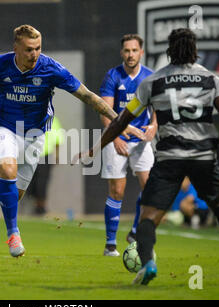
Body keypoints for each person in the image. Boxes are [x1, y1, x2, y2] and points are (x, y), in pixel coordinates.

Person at [0, 24, 144, 258]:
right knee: (7, 170)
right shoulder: (0, 64)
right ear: (16, 49)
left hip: (35, 136)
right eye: (29, 49)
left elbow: (88, 96)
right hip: (5, 128)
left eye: (38, 48)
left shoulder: (51, 69)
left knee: (13, 194)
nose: (35, 54)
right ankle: (13, 234)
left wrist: (122, 122)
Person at [75, 28, 219, 285]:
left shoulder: (153, 82)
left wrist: (94, 148)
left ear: (169, 51)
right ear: (194, 51)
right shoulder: (211, 79)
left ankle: (149, 265)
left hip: (170, 158)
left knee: (148, 217)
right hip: (203, 157)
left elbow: (120, 121)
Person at [99, 34, 156, 256]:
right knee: (117, 191)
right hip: (118, 140)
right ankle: (110, 245)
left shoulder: (150, 77)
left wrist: (154, 126)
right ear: (121, 53)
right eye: (126, 50)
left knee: (150, 189)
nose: (130, 54)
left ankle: (134, 232)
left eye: (134, 50)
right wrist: (115, 137)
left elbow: (157, 109)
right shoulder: (113, 76)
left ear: (141, 52)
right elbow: (105, 111)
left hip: (141, 140)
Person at [26, 115, 64, 215]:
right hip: (31, 155)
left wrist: (57, 156)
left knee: (42, 183)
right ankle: (36, 205)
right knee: (31, 183)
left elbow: (57, 139)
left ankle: (41, 206)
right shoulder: (31, 116)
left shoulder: (53, 120)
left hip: (45, 155)